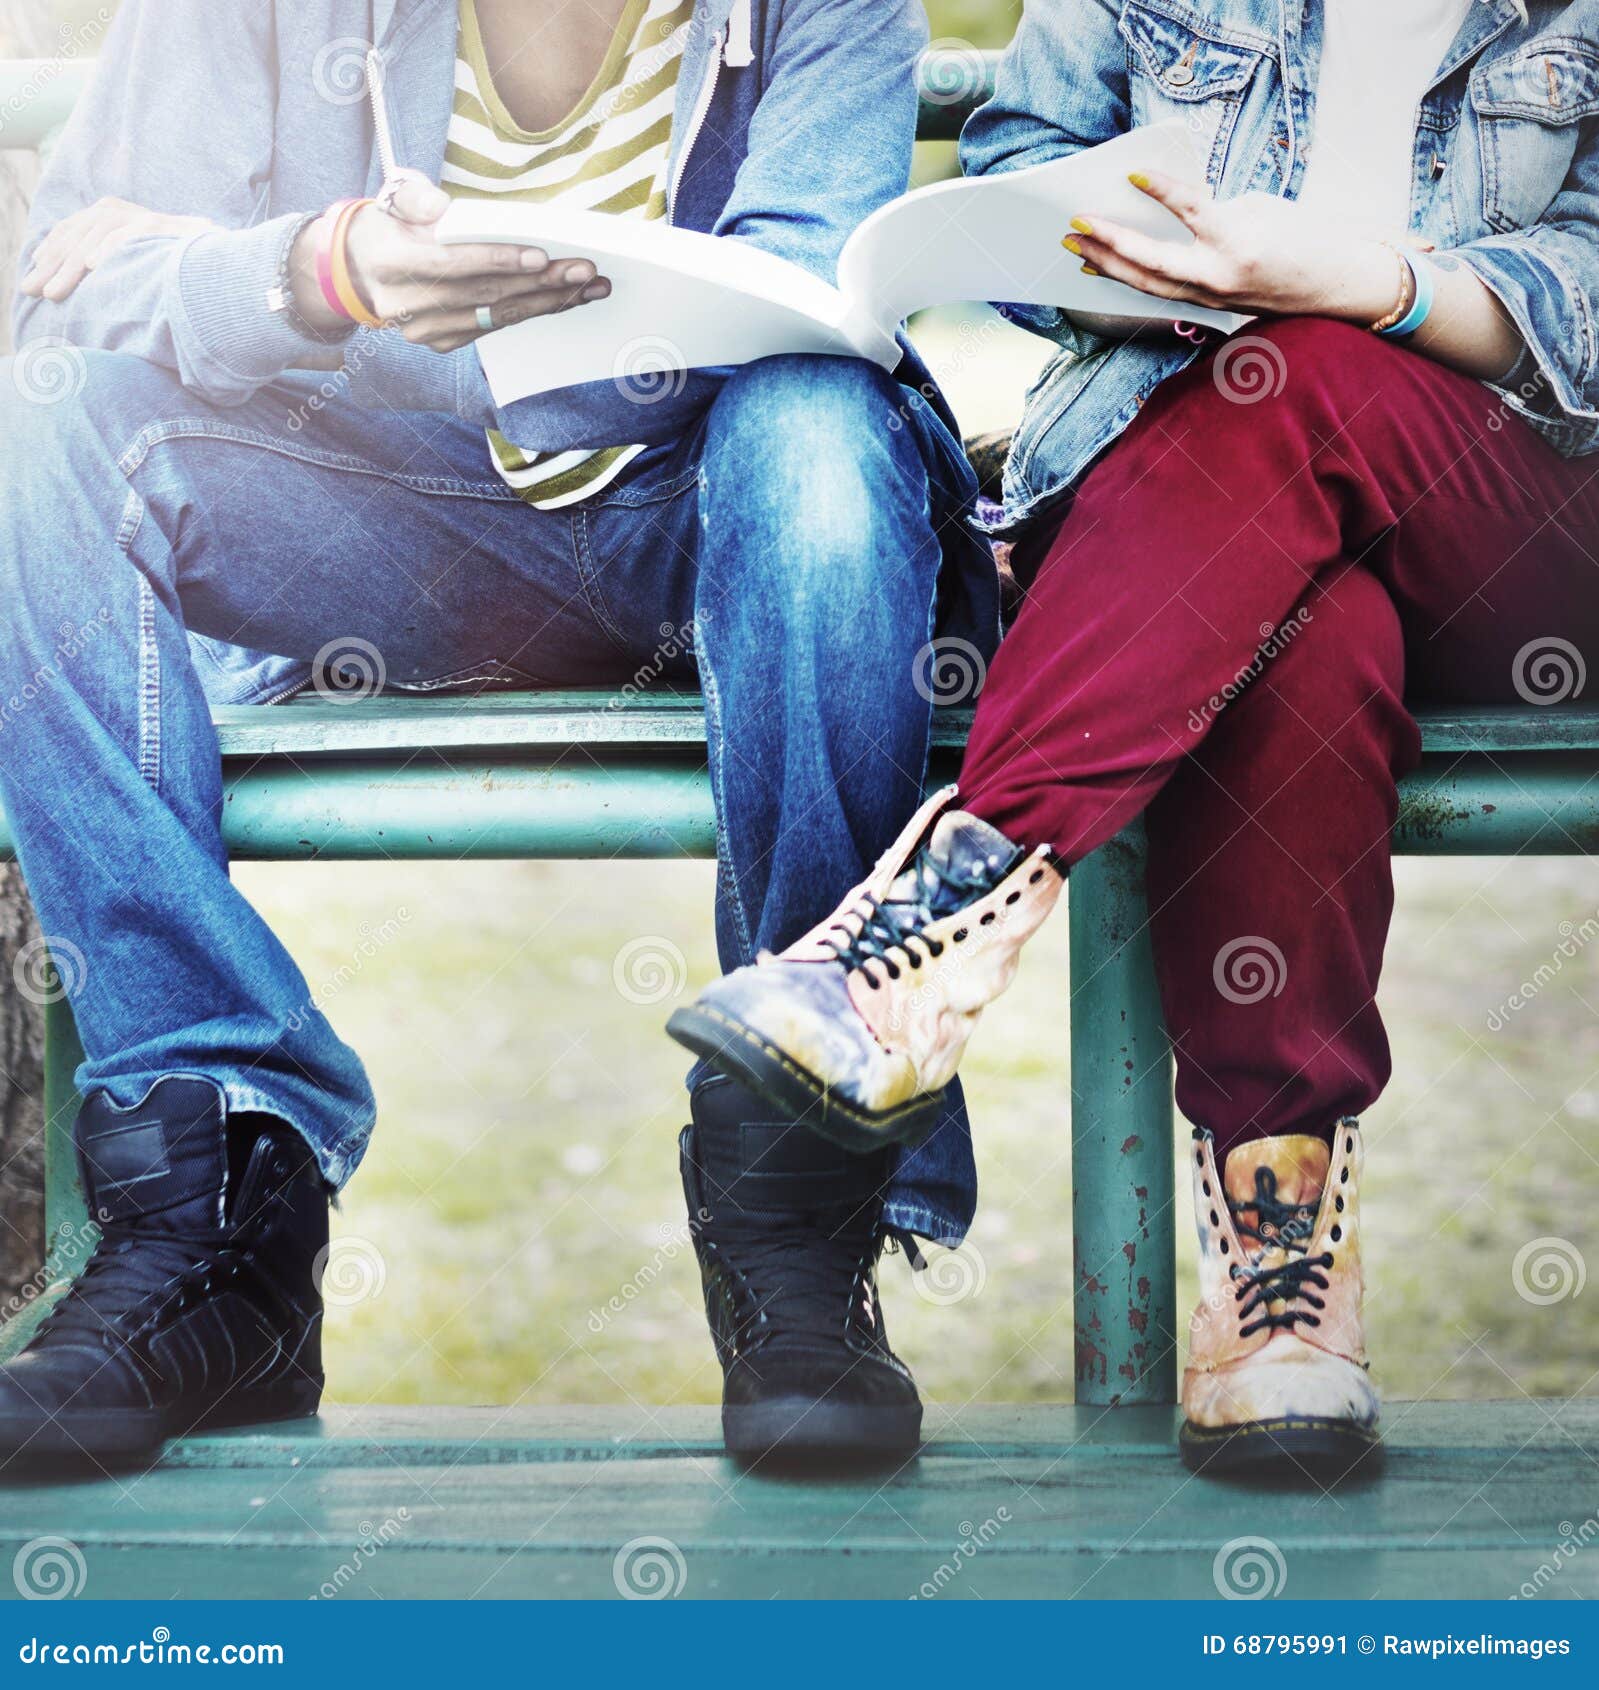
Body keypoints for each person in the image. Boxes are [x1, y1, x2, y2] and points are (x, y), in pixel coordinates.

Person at [0, 0, 998, 1470]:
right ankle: (215, 1205)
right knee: (47, 420)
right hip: (397, 524)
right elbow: (69, 284)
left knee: (814, 420)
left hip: (725, 509)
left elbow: (809, 296)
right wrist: (322, 263)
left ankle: (795, 1183)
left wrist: (332, 300)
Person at [671, 0, 1599, 1475]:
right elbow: (1021, 162)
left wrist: (1359, 281)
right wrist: (1135, 277)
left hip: (1522, 516)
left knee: (1292, 372)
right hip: (1203, 505)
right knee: (1307, 632)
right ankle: (1280, 1280)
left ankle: (933, 928)